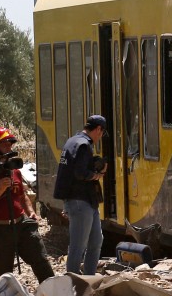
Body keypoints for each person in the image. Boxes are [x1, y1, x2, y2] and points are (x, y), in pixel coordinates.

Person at [0, 127, 54, 282]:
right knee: (3, 276)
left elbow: (22, 195)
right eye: (5, 144)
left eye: (10, 143)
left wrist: (30, 212)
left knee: (41, 261)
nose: (9, 147)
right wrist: (1, 189)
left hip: (21, 224)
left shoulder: (14, 170)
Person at [54, 115, 108, 276]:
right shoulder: (84, 145)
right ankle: (73, 283)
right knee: (78, 245)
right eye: (101, 133)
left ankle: (89, 280)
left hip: (87, 201)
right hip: (80, 201)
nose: (100, 138)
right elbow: (80, 173)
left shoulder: (73, 141)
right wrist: (97, 175)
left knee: (96, 241)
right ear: (98, 129)